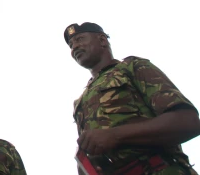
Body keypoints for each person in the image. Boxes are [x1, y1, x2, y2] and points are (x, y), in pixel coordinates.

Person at [66, 22, 200, 174]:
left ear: (102, 40)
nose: (74, 47)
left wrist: (115, 135)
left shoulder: (132, 68)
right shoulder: (81, 102)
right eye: (71, 45)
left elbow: (188, 121)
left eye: (80, 39)